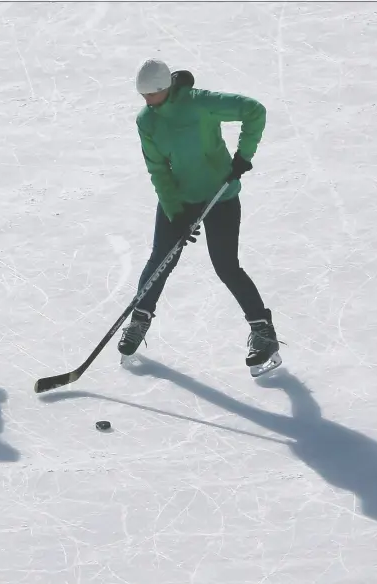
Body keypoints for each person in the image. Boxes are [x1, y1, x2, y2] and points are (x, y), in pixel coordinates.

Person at [118, 58, 281, 377]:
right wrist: (175, 212)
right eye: (143, 97)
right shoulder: (146, 121)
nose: (147, 102)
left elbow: (253, 110)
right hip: (178, 196)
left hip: (220, 194)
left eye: (151, 95)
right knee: (160, 259)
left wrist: (243, 157)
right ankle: (139, 319)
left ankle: (263, 333)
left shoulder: (201, 103)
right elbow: (157, 169)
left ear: (165, 88)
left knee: (226, 266)